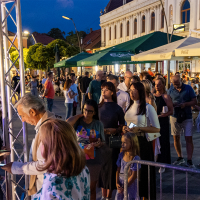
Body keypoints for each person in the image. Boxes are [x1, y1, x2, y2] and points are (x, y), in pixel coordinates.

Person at [2, 94, 56, 196]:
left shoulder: (48, 129)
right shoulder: (50, 124)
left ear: (32, 111)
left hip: (48, 190)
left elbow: (45, 164)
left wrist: (17, 168)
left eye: (22, 115)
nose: (22, 120)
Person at [26, 119, 90, 199]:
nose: (40, 145)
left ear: (50, 147)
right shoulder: (83, 169)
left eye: (42, 141)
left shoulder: (52, 184)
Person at [123, 82, 160, 200]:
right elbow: (127, 121)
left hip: (142, 143)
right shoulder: (129, 106)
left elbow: (156, 128)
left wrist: (140, 128)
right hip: (130, 143)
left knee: (143, 175)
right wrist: (124, 128)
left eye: (135, 90)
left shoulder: (148, 107)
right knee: (131, 173)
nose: (132, 92)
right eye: (131, 90)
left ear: (140, 92)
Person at [67, 99, 105, 200]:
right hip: (78, 159)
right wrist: (77, 116)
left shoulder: (98, 124)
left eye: (90, 111)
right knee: (78, 187)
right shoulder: (77, 122)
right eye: (85, 110)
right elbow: (66, 124)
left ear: (94, 113)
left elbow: (103, 142)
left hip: (94, 160)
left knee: (91, 188)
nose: (86, 113)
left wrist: (100, 143)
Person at [98, 82, 125, 200]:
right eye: (102, 89)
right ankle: (103, 194)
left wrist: (116, 129)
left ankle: (109, 196)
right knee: (101, 167)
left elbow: (123, 126)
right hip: (100, 140)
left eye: (106, 90)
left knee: (112, 167)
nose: (103, 92)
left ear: (112, 92)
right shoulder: (98, 107)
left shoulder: (117, 108)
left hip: (114, 140)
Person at [168, 75, 197, 168]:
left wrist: (185, 104)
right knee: (176, 137)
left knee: (188, 138)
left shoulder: (188, 88)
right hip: (175, 116)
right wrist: (172, 104)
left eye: (177, 83)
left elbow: (195, 101)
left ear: (181, 80)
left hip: (187, 116)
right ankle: (180, 157)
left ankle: (189, 160)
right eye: (174, 84)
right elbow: (168, 102)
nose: (176, 86)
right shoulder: (170, 90)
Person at [154, 78, 173, 172]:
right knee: (155, 141)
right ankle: (156, 160)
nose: (157, 86)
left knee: (163, 141)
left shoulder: (166, 96)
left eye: (159, 84)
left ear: (163, 85)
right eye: (156, 84)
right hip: (154, 122)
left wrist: (163, 115)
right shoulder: (152, 96)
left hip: (163, 122)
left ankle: (164, 162)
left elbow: (171, 111)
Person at [115, 132, 141, 200]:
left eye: (125, 142)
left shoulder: (136, 158)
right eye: (122, 142)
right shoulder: (121, 155)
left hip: (130, 186)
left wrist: (125, 186)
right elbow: (118, 170)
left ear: (132, 144)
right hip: (121, 184)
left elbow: (134, 175)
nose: (122, 144)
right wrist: (117, 183)